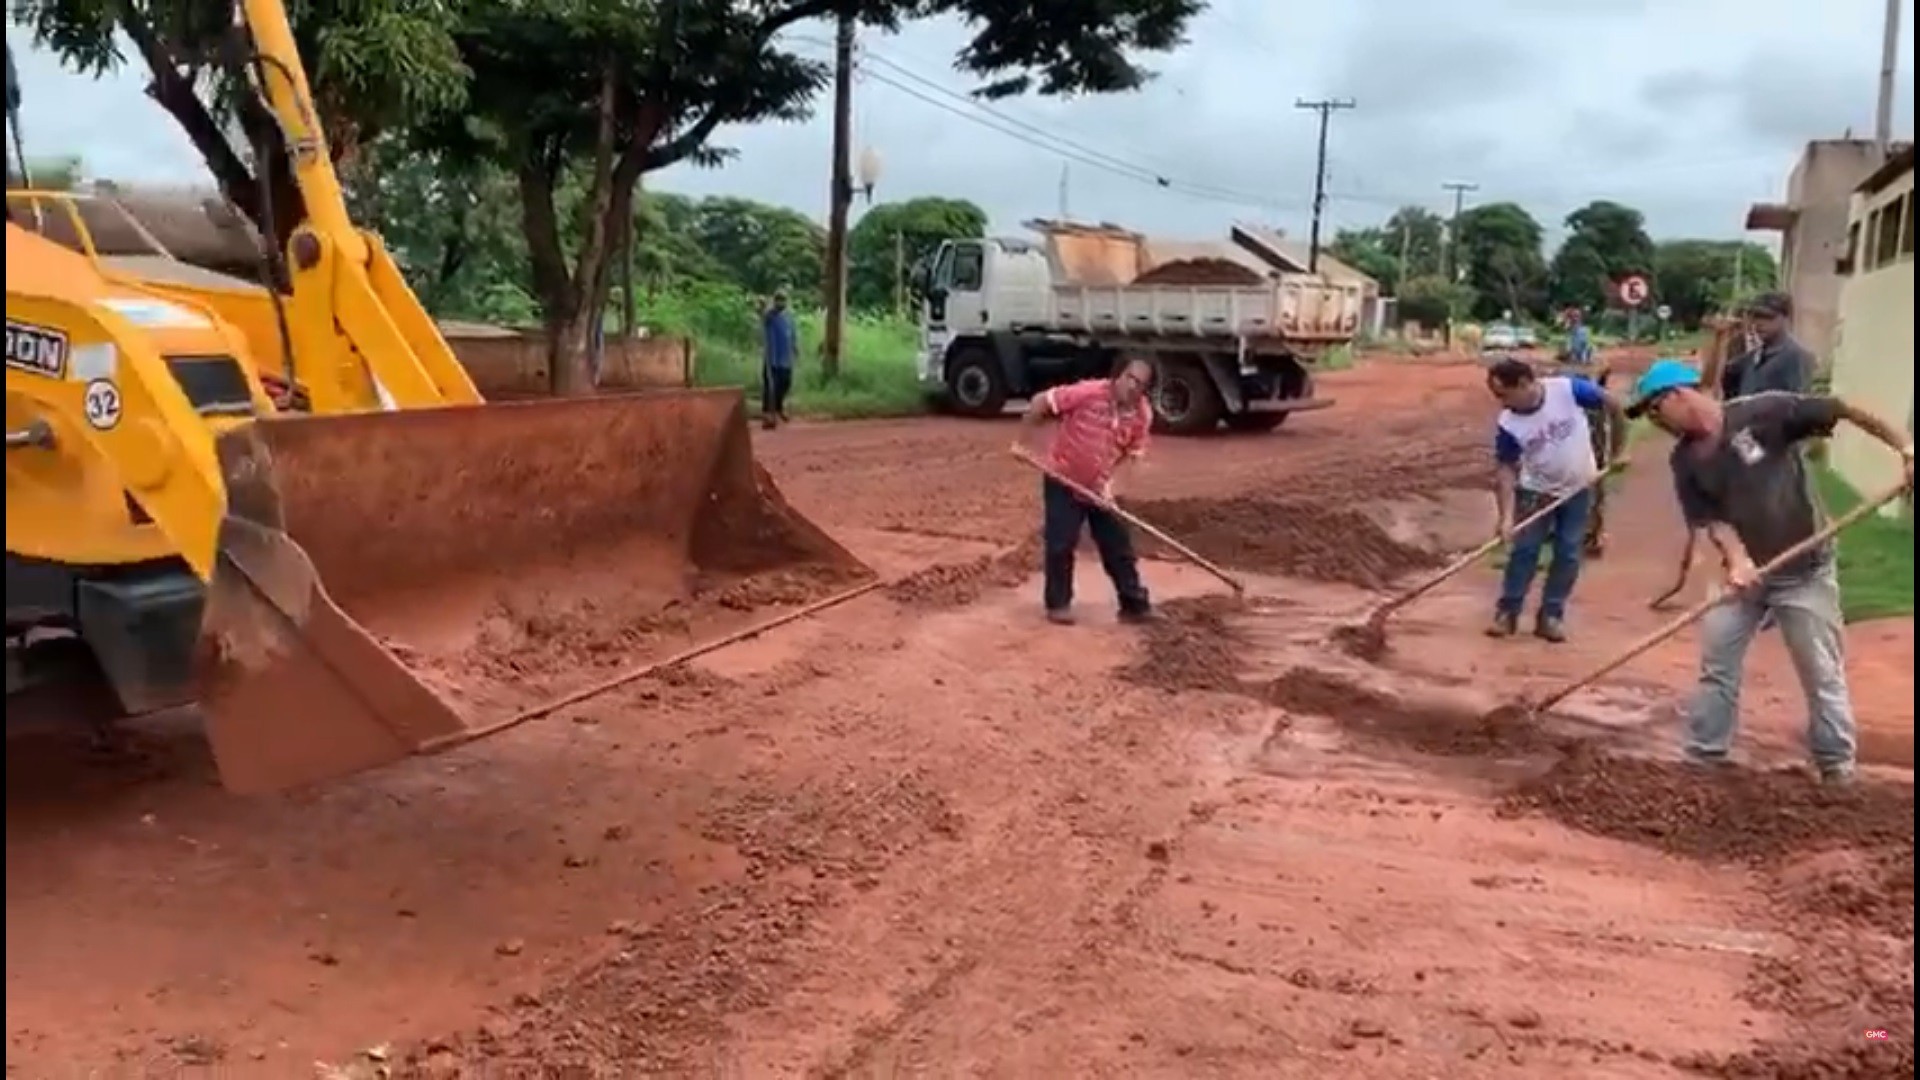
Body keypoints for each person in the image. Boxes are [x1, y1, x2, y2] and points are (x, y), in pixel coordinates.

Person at [1627, 359, 1915, 786]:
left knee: (1820, 671)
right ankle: (1703, 759)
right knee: (1717, 664)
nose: (1654, 421)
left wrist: (1905, 449)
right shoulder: (1684, 460)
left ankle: (1836, 769)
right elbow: (1711, 520)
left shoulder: (1765, 412)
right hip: (1742, 579)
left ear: (1676, 396)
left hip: (1804, 571)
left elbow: (1844, 408)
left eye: (1653, 410)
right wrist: (1738, 559)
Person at [1484, 356, 1629, 642]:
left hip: (1577, 489)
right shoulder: (1509, 423)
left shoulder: (1567, 390)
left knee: (1568, 553)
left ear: (1525, 383)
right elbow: (1505, 470)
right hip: (1535, 492)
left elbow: (1613, 405)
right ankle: (1507, 612)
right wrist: (1505, 518)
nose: (1501, 403)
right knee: (1524, 551)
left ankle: (1551, 616)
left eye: (1504, 394)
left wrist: (1619, 450)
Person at [1014, 358, 1157, 626]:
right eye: (1129, 377)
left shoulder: (1142, 415)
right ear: (1117, 375)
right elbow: (1040, 402)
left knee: (1118, 546)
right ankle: (1058, 604)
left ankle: (1134, 604)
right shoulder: (1087, 393)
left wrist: (1112, 488)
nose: (1132, 386)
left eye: (1140, 383)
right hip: (1063, 480)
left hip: (1100, 488)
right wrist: (1022, 443)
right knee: (1060, 542)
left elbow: (1133, 457)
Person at [1719, 292, 1812, 400]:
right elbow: (1719, 380)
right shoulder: (1752, 358)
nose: (1760, 323)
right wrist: (1721, 338)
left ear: (1785, 318)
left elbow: (1797, 403)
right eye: (1756, 317)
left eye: (1768, 318)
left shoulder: (1795, 355)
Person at [760, 290, 798, 430]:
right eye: (778, 300)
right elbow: (764, 317)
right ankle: (768, 414)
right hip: (772, 358)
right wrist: (763, 306)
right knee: (770, 387)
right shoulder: (771, 315)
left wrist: (795, 348)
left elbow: (792, 334)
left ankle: (778, 408)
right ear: (774, 301)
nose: (781, 303)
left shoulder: (789, 317)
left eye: (783, 300)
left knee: (785, 383)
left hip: (785, 357)